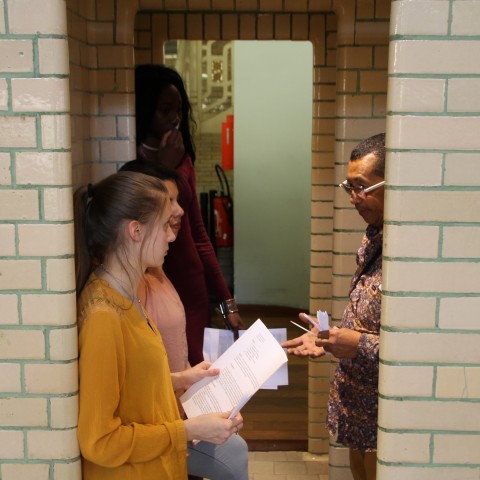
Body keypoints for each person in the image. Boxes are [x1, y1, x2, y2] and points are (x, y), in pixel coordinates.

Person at [74, 171, 243, 480]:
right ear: (135, 230)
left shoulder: (126, 295)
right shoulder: (103, 316)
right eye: (165, 225)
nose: (172, 236)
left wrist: (181, 378)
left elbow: (132, 387)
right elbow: (99, 442)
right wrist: (188, 429)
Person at [122, 161, 249, 480]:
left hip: (175, 406)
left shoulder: (155, 266)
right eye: (169, 202)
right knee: (233, 454)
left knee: (232, 448)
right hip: (158, 422)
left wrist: (189, 383)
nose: (178, 211)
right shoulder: (130, 285)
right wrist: (186, 424)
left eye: (179, 201)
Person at [282, 133, 385, 480]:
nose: (355, 198)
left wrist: (356, 344)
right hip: (360, 405)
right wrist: (330, 336)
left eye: (363, 187)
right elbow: (372, 316)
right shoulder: (376, 233)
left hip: (384, 412)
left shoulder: (412, 251)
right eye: (349, 187)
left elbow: (423, 348)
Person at [126, 63, 244, 366]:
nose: (174, 119)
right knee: (165, 370)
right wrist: (164, 167)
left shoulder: (184, 158)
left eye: (178, 110)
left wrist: (225, 299)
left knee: (195, 367)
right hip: (149, 283)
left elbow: (199, 234)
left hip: (190, 283)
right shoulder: (129, 158)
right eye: (164, 110)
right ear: (144, 108)